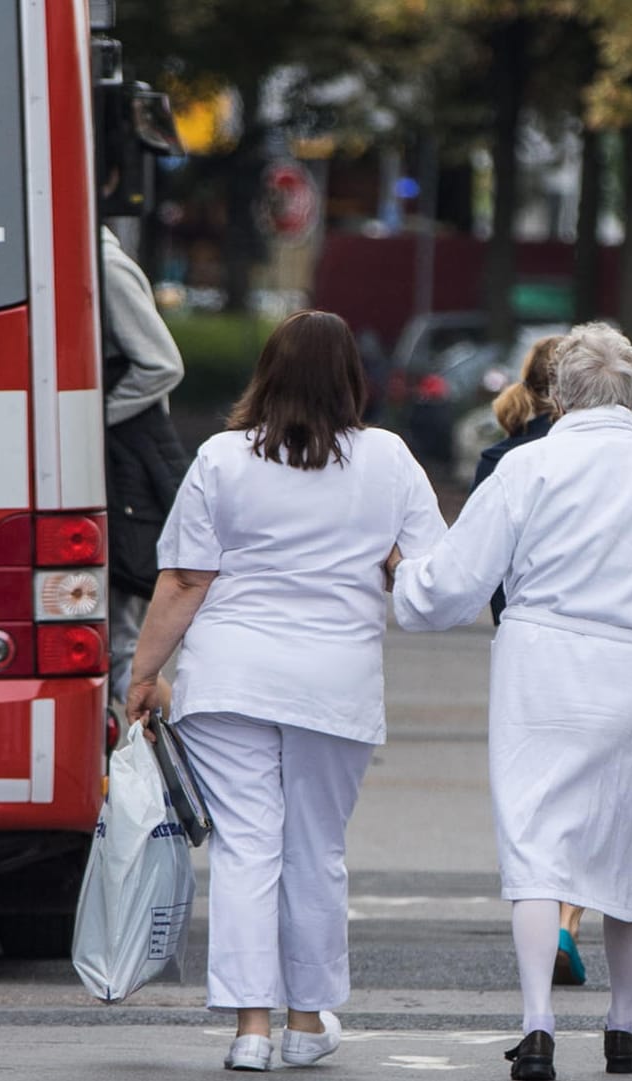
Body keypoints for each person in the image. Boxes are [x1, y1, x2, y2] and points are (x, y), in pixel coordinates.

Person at [388, 322, 632, 1080]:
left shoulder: (528, 466)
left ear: (559, 393)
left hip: (542, 660)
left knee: (537, 845)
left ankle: (537, 1021)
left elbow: (454, 583)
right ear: (631, 390)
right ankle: (621, 1019)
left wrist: (407, 581)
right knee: (628, 846)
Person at [124, 310, 447, 1072]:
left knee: (245, 850)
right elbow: (431, 570)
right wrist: (387, 557)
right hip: (334, 681)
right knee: (315, 852)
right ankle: (308, 1020)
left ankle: (250, 1030)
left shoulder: (220, 457)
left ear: (265, 372)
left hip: (228, 677)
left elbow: (182, 580)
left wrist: (142, 674)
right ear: (351, 379)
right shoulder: (389, 459)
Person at [472, 336, 590, 989]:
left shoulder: (501, 458)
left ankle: (544, 927)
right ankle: (570, 919)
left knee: (537, 797)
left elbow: (483, 562)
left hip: (524, 641)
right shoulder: (609, 458)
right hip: (600, 645)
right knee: (588, 792)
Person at [100, 223, 187, 707]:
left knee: (122, 647)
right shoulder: (92, 260)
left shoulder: (105, 265)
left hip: (127, 475)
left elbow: (162, 365)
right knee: (118, 645)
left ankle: (186, 764)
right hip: (126, 471)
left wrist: (90, 421)